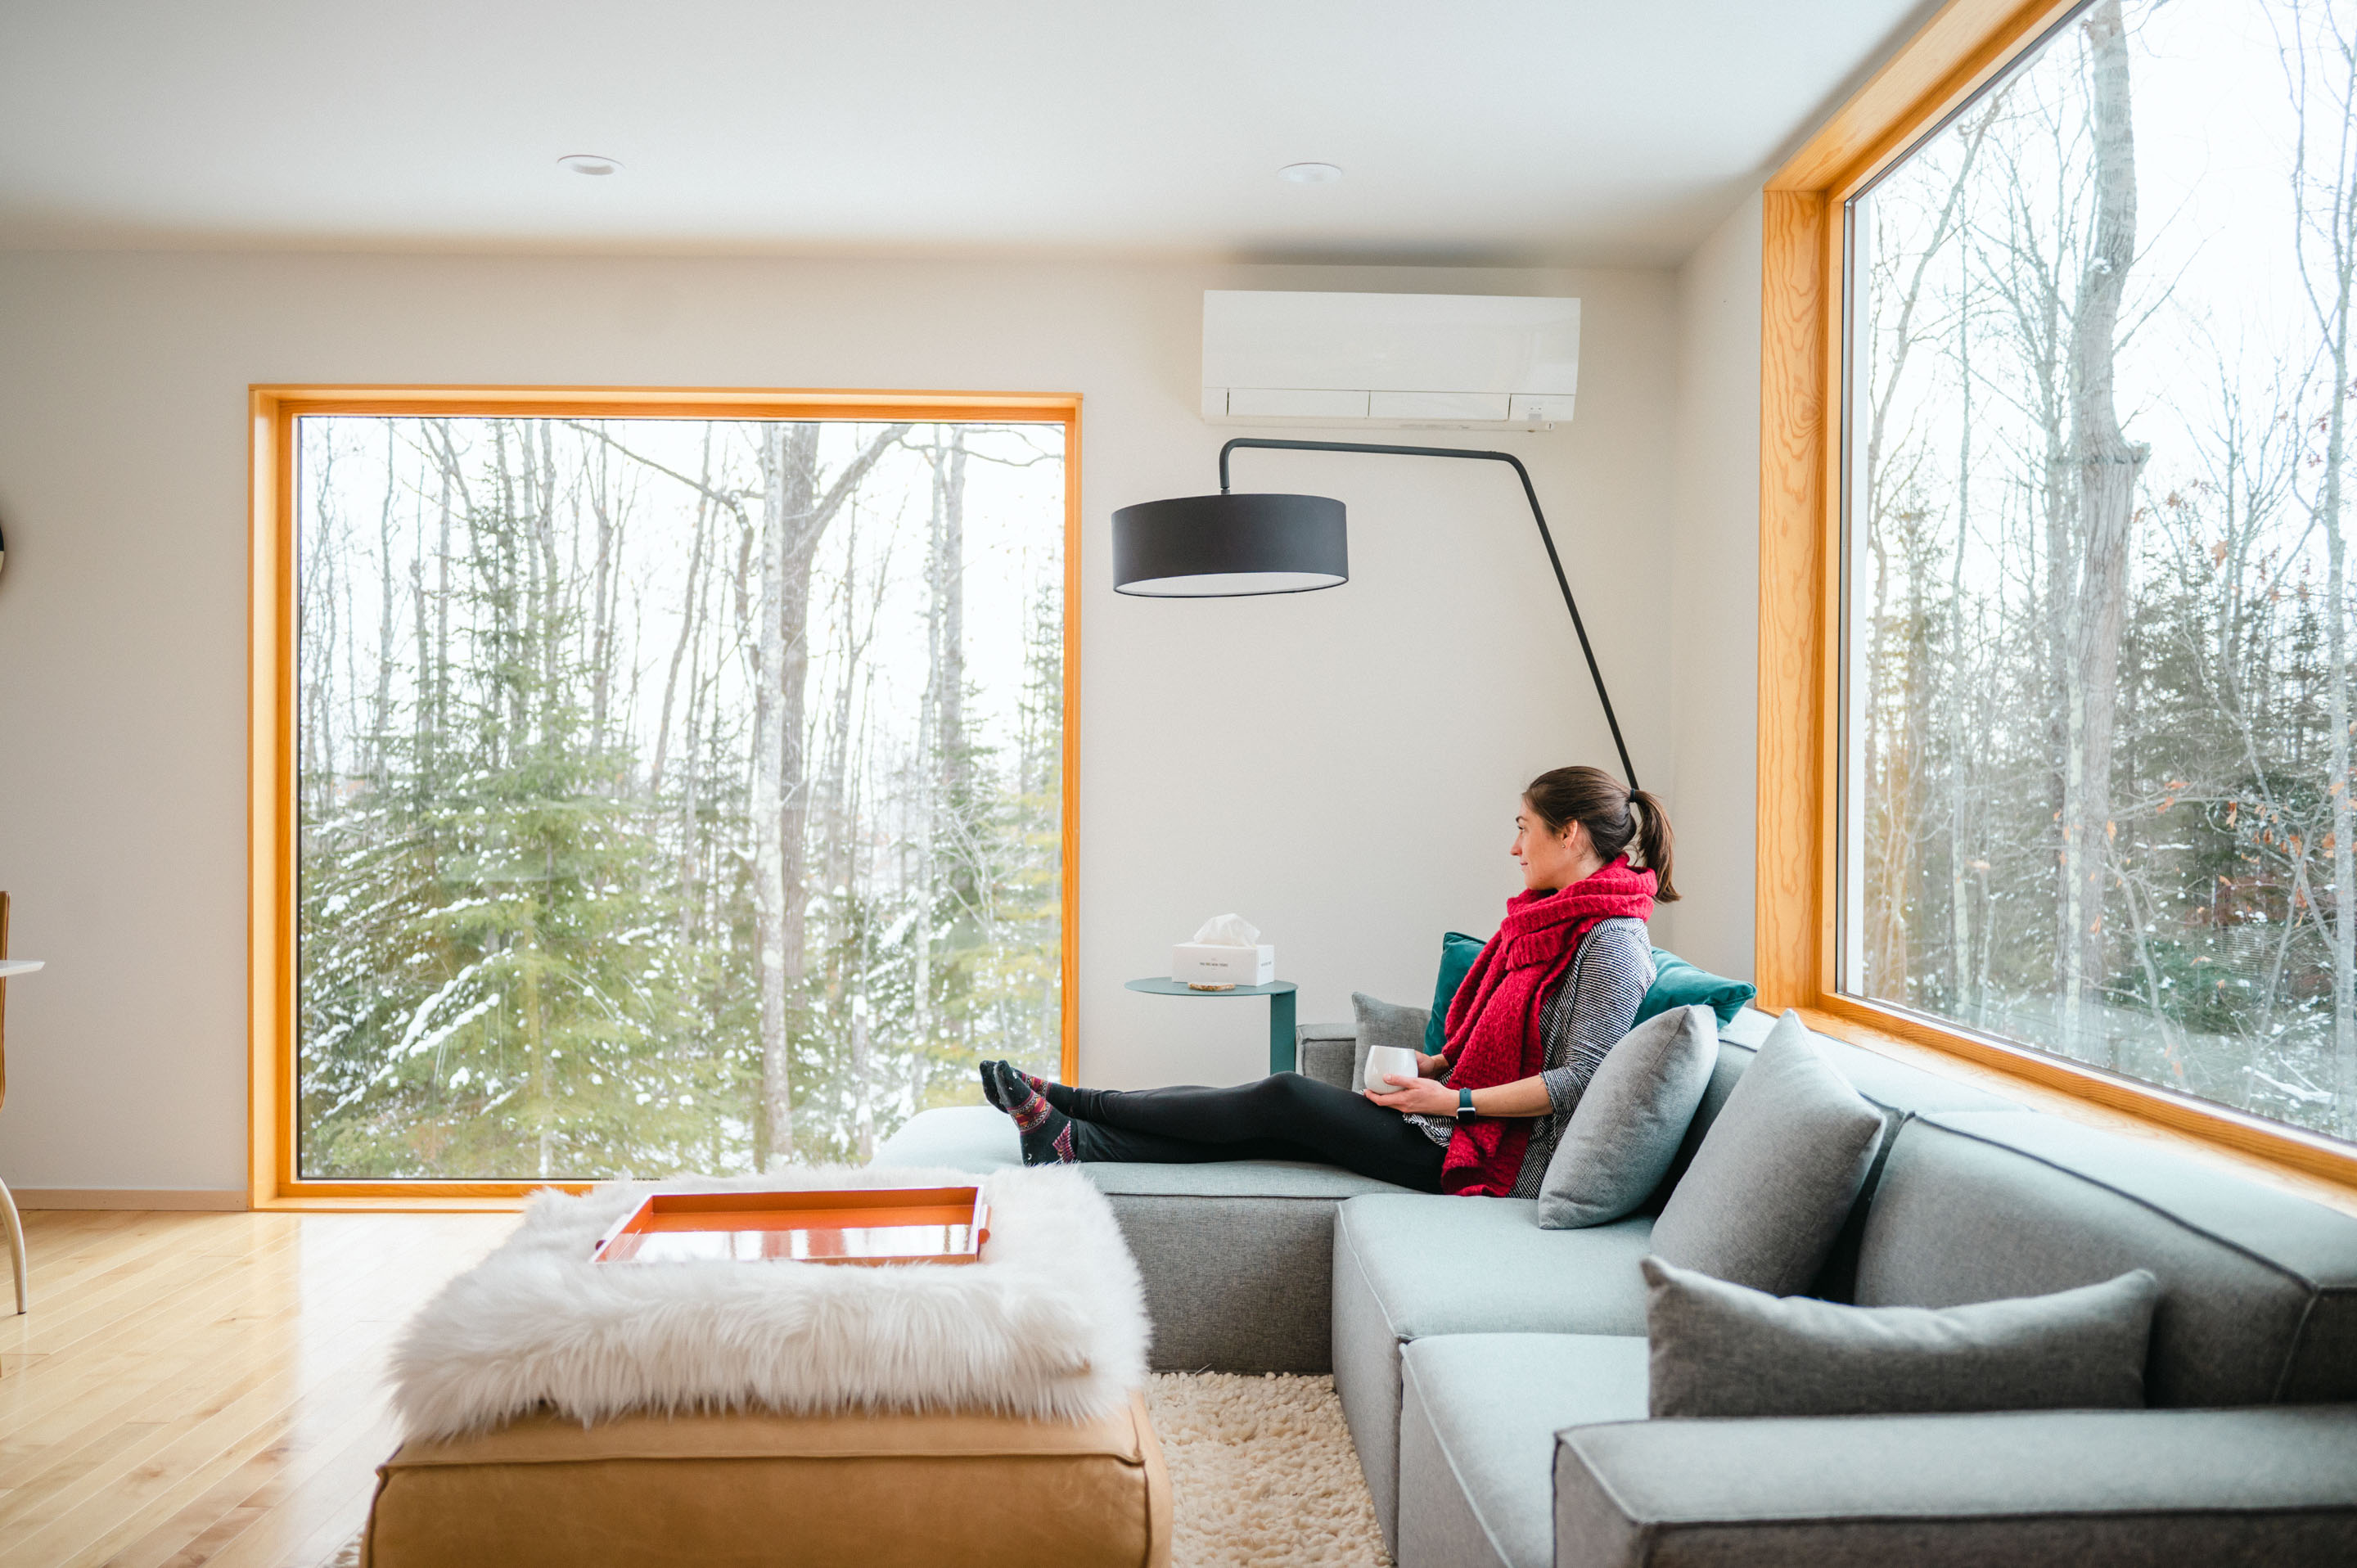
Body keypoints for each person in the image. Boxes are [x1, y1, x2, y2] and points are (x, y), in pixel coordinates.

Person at [978, 765, 1679, 1196]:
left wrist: (1453, 1098)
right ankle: (1068, 1139)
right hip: (1457, 1120)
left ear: (1573, 834)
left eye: (1525, 828)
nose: (1514, 846)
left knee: (1282, 1097)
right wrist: (1435, 1067)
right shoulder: (1552, 924)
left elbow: (1581, 1079)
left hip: (1498, 1156)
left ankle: (1075, 1101)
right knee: (1272, 1126)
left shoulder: (1614, 942)